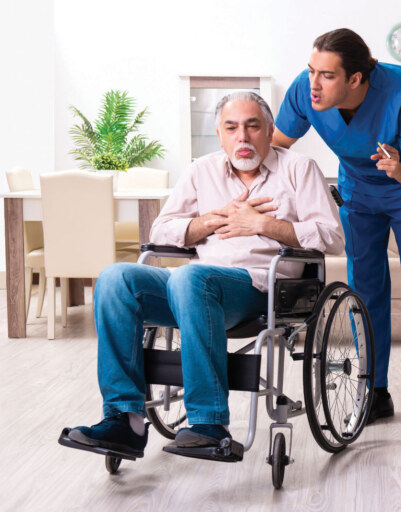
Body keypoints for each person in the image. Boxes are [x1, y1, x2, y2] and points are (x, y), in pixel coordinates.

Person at [63, 91, 344, 456]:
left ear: (269, 129)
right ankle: (124, 421)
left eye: (252, 126)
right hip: (193, 289)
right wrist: (211, 220)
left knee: (191, 278)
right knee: (116, 278)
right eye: (232, 127)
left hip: (261, 288)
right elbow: (161, 230)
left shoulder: (299, 169)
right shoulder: (201, 171)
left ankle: (209, 423)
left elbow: (331, 236)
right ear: (219, 134)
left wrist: (263, 224)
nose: (242, 137)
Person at [273, 28, 401, 433]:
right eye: (311, 70)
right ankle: (375, 391)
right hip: (359, 194)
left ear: (355, 79)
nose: (314, 83)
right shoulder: (305, 92)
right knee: (365, 293)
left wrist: (399, 169)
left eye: (326, 75)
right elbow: (275, 148)